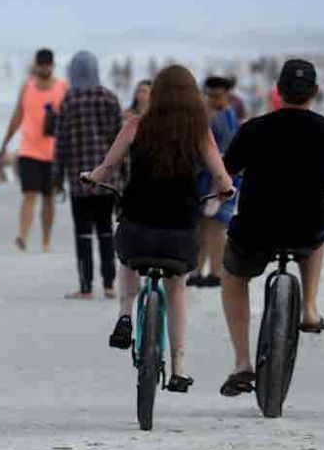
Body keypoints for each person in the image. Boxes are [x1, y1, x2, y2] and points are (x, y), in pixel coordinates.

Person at [85, 65, 234, 394]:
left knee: (127, 260)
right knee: (176, 287)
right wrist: (225, 190)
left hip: (138, 227)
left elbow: (107, 168)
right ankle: (179, 366)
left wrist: (93, 177)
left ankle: (125, 314)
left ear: (157, 94)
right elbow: (221, 176)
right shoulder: (199, 131)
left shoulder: (135, 125)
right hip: (178, 232)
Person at [217, 60, 324, 398]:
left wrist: (226, 189)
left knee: (233, 276)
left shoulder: (254, 129)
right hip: (307, 228)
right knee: (318, 236)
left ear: (278, 91)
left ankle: (242, 362)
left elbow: (226, 173)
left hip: (255, 229)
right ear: (315, 92)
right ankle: (309, 308)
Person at [55, 51, 122, 299]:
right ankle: (109, 284)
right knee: (106, 231)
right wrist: (123, 175)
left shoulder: (69, 100)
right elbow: (120, 139)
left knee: (83, 233)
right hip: (107, 180)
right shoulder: (110, 98)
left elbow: (61, 142)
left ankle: (85, 287)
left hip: (79, 179)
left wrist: (56, 177)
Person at [0, 48, 68, 252]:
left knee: (49, 198)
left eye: (47, 65)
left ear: (52, 66)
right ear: (36, 66)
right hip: (29, 151)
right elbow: (17, 116)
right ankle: (23, 237)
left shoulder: (63, 88)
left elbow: (71, 118)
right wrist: (5, 143)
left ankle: (46, 240)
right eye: (41, 64)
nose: (44, 68)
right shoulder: (26, 87)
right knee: (29, 194)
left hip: (54, 153)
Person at [188, 76, 242, 288]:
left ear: (226, 94)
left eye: (216, 95)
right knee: (203, 227)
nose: (212, 99)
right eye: (209, 95)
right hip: (207, 178)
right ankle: (200, 271)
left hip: (220, 179)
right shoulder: (216, 115)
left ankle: (214, 271)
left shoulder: (225, 116)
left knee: (215, 228)